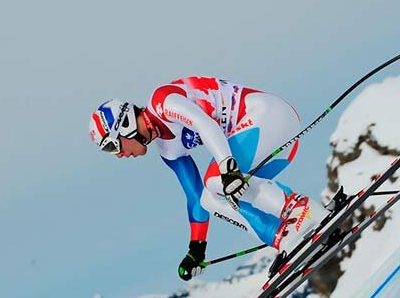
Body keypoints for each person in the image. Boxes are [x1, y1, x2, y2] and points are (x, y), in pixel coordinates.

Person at [88, 76, 326, 281]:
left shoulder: (162, 101)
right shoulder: (167, 150)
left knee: (215, 180)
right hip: (269, 143)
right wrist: (196, 249)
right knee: (210, 198)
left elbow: (204, 124)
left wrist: (227, 166)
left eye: (111, 146)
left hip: (270, 117)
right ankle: (283, 237)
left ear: (124, 126)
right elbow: (194, 197)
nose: (118, 155)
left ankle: (302, 210)